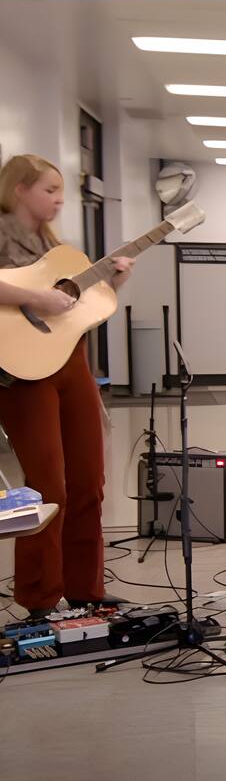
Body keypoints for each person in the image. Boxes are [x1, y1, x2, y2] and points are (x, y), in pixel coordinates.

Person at [0, 154, 135, 618]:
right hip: (20, 372)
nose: (59, 200)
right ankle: (39, 597)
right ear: (19, 188)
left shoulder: (57, 246)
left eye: (61, 192)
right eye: (49, 190)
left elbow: (71, 311)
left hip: (71, 361)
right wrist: (34, 296)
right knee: (46, 487)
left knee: (88, 480)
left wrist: (112, 282)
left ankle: (86, 588)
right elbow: (31, 300)